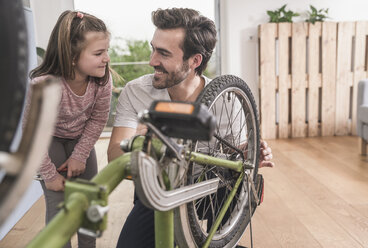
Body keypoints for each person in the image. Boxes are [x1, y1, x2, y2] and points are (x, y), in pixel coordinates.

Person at [107, 8, 274, 248]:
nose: (151, 60)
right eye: (153, 48)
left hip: (211, 186)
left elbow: (234, 158)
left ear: (195, 60)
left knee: (236, 184)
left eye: (163, 53)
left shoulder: (226, 99)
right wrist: (141, 142)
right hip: (161, 186)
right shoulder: (136, 92)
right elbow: (114, 156)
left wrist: (247, 152)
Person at [25, 10, 112, 248]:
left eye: (107, 51)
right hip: (47, 141)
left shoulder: (102, 80)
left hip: (79, 138)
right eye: (98, 53)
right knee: (58, 206)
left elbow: (97, 119)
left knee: (90, 202)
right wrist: (50, 176)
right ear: (73, 57)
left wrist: (80, 155)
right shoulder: (44, 85)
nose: (106, 59)